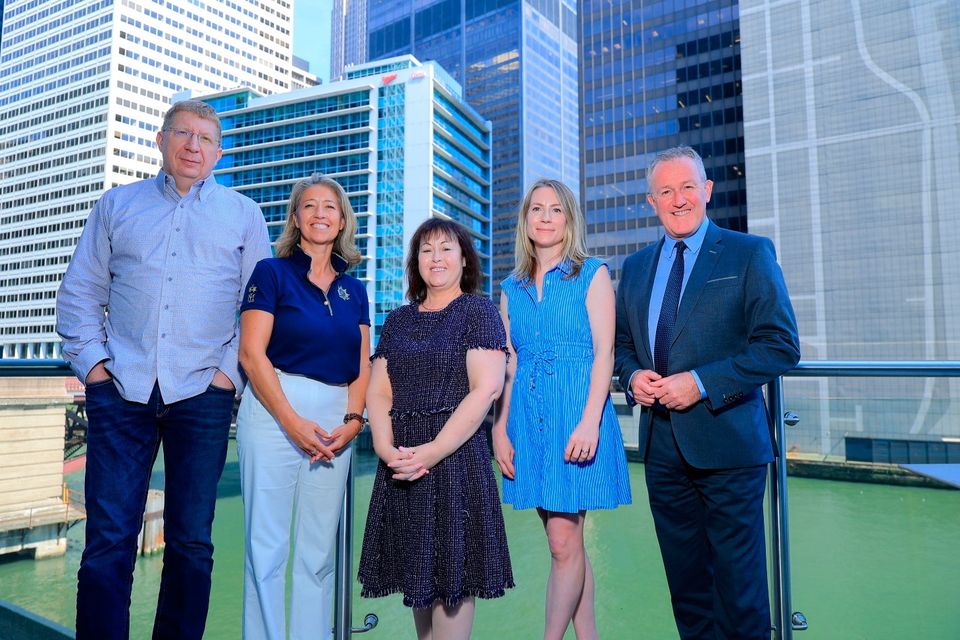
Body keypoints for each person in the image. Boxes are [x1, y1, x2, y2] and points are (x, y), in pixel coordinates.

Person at [56, 100, 272, 639]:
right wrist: (96, 372)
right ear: (161, 140)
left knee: (192, 542)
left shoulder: (243, 214)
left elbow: (259, 311)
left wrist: (227, 378)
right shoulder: (117, 206)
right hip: (120, 391)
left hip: (203, 394)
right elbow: (80, 294)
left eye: (206, 139)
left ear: (219, 153)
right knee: (108, 538)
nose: (194, 147)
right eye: (184, 135)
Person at [614, 146, 801, 640]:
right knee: (688, 592)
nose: (679, 200)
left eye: (688, 187)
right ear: (651, 200)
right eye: (666, 191)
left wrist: (699, 383)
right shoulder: (633, 268)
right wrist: (632, 377)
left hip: (730, 447)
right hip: (661, 451)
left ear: (708, 191)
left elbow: (781, 346)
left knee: (740, 595)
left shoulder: (748, 253)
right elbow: (623, 346)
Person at [357, 218, 514, 640]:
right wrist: (387, 448)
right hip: (404, 463)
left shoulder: (477, 311)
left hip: (456, 462)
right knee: (420, 589)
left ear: (464, 260)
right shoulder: (399, 320)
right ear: (415, 263)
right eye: (426, 250)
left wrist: (432, 451)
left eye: (446, 249)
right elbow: (379, 393)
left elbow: (486, 390)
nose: (436, 258)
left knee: (453, 585)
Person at [492, 178, 632, 640]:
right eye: (537, 209)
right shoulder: (510, 288)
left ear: (569, 219)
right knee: (566, 545)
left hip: (576, 415)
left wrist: (591, 421)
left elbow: (605, 354)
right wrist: (500, 429)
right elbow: (510, 362)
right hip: (527, 422)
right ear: (526, 220)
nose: (546, 218)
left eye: (556, 210)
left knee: (562, 541)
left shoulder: (591, 273)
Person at [236, 174, 370, 640]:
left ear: (341, 222)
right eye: (309, 206)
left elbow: (362, 364)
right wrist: (291, 421)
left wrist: (354, 421)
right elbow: (252, 355)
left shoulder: (356, 290)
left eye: (329, 207)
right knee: (266, 547)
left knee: (317, 553)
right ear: (295, 218)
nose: (319, 214)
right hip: (274, 413)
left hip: (336, 419)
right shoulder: (270, 273)